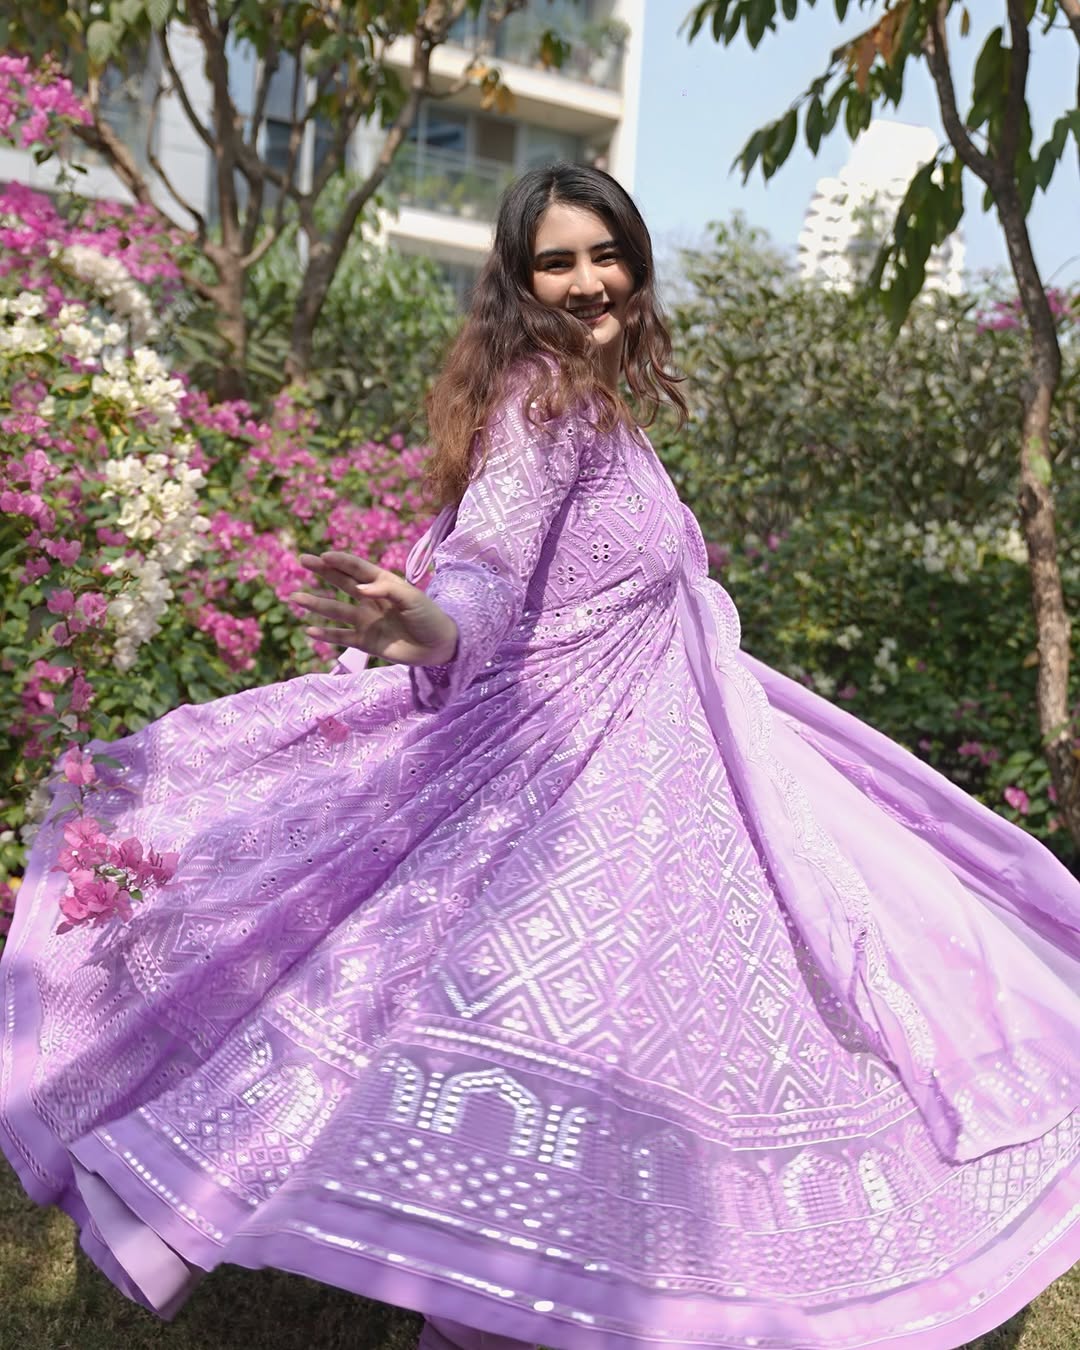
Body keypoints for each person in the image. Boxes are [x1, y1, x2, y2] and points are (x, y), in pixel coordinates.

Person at [1, 163, 1077, 1350]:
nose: (586, 281)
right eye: (556, 262)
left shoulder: (602, 409)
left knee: (619, 1041)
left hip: (656, 764)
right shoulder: (543, 403)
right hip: (574, 774)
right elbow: (491, 561)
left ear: (637, 261)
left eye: (604, 254)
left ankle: (528, 1299)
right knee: (531, 1032)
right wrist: (435, 624)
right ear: (521, 282)